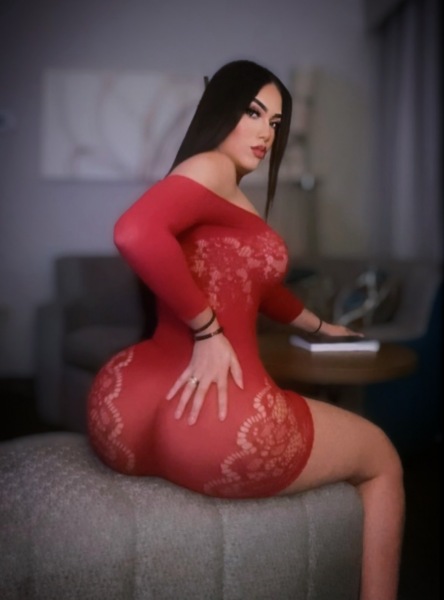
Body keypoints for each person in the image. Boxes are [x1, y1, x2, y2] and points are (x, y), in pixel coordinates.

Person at [87, 60, 404, 600]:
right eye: (254, 113)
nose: (266, 133)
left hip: (123, 406)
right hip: (214, 420)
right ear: (219, 110)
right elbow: (134, 232)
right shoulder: (210, 167)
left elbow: (258, 289)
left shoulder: (219, 189)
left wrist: (321, 326)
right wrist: (208, 333)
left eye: (275, 123)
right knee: (381, 457)